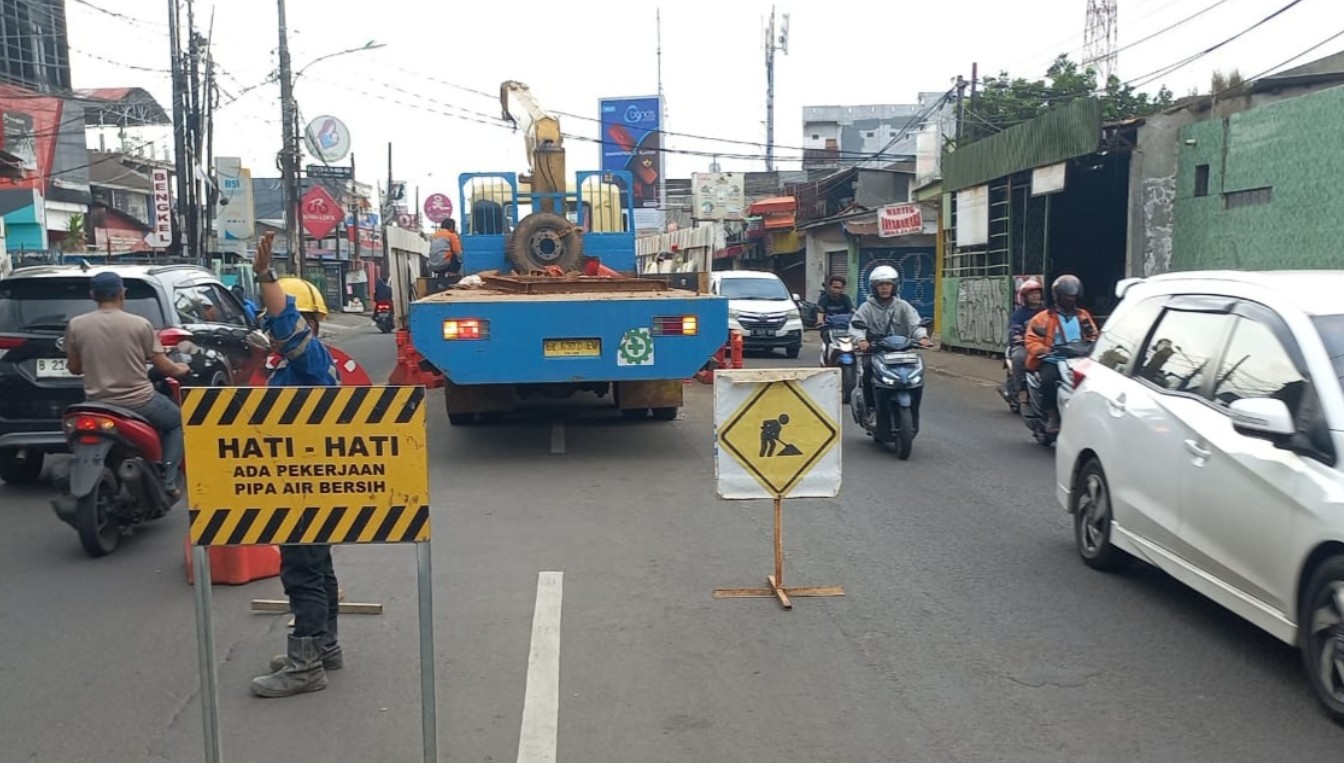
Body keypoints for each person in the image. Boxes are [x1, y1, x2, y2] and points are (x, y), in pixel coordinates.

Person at [248, 231, 343, 699]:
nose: (273, 328)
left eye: (281, 320)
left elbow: (285, 323)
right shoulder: (294, 366)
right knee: (317, 564)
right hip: (304, 480)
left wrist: (267, 276)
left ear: (309, 323)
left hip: (301, 483)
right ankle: (325, 645)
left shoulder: (310, 360)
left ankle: (306, 665)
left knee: (301, 569)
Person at [64, 272, 190, 497]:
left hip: (97, 404)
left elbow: (74, 368)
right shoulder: (140, 324)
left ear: (93, 295)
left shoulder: (76, 325)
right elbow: (164, 367)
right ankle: (168, 481)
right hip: (140, 402)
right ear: (122, 294)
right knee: (177, 423)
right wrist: (181, 369)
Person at [849, 265, 930, 423]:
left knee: (915, 374)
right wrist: (861, 340)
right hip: (875, 351)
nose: (885, 288)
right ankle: (871, 409)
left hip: (902, 351)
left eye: (888, 284)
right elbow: (855, 326)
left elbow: (915, 324)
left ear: (894, 286)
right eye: (880, 284)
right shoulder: (866, 308)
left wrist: (922, 337)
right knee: (867, 371)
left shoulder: (903, 306)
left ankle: (913, 407)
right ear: (874, 287)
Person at [1025, 274, 1099, 433]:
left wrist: (1096, 344)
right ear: (1058, 296)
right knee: (1048, 380)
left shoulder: (1083, 316)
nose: (1070, 300)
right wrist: (1042, 349)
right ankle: (1052, 415)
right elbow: (1032, 339)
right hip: (1054, 359)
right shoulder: (1043, 318)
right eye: (1067, 296)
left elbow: (1093, 335)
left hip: (1080, 359)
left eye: (1073, 297)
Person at [1002, 279, 1045, 406]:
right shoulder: (1019, 314)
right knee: (1019, 357)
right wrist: (1018, 336)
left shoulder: (1047, 312)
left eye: (1037, 293)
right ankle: (1020, 389)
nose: (1035, 296)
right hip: (1025, 345)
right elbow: (1013, 329)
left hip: (1045, 345)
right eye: (1031, 294)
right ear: (1025, 297)